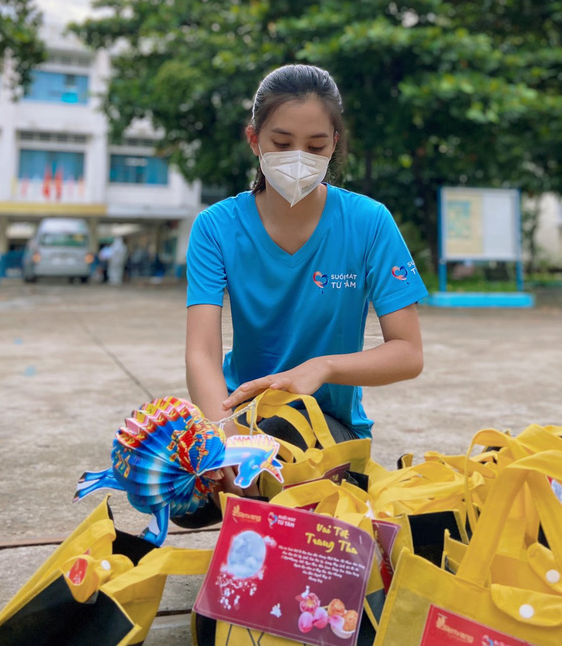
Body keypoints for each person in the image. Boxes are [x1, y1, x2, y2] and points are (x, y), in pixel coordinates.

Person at [183, 64, 427, 513]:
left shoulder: (369, 222)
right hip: (240, 412)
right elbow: (201, 352)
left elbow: (408, 353)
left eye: (315, 146)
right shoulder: (215, 227)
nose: (298, 156)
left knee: (286, 436)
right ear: (254, 139)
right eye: (281, 143)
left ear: (334, 144)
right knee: (171, 476)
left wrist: (323, 368)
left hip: (329, 424)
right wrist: (224, 435)